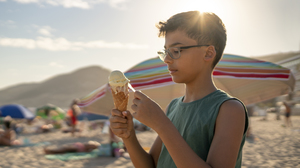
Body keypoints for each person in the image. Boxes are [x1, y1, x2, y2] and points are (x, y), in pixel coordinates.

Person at [109, 11, 248, 168]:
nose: (167, 59)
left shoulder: (229, 109)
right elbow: (150, 165)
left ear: (208, 53)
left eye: (176, 51)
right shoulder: (173, 107)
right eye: (166, 52)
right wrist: (129, 136)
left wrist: (162, 125)